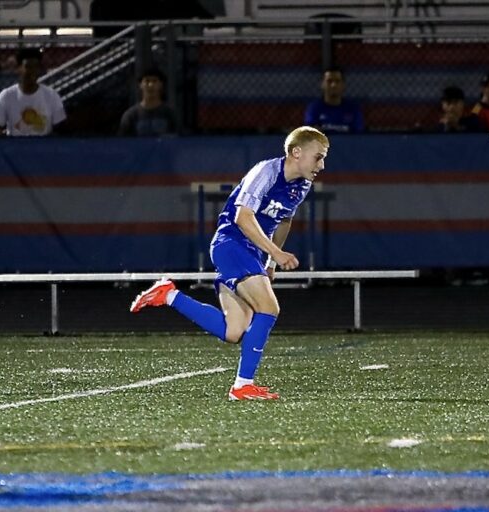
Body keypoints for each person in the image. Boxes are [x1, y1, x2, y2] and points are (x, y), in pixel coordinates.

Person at [130, 126, 330, 400]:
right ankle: (242, 385)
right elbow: (242, 219)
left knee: (233, 331)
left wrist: (271, 261)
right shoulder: (266, 173)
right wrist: (278, 253)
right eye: (318, 157)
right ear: (297, 153)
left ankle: (169, 295)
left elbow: (284, 220)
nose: (322, 164)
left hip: (252, 253)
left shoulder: (302, 185)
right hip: (231, 244)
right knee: (269, 308)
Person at [0, 48, 66, 136]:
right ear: (18, 69)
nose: (32, 71)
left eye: (36, 66)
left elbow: (61, 130)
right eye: (28, 67)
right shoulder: (6, 96)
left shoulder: (52, 95)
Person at [118, 67, 178, 136]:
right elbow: (122, 141)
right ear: (140, 85)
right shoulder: (131, 115)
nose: (150, 85)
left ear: (161, 85)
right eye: (147, 81)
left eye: (154, 81)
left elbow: (180, 137)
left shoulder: (169, 113)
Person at [304, 67, 364, 133]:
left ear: (343, 85)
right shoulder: (314, 108)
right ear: (322, 84)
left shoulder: (353, 108)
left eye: (337, 81)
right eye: (329, 81)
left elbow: (358, 134)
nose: (333, 85)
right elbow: (311, 132)